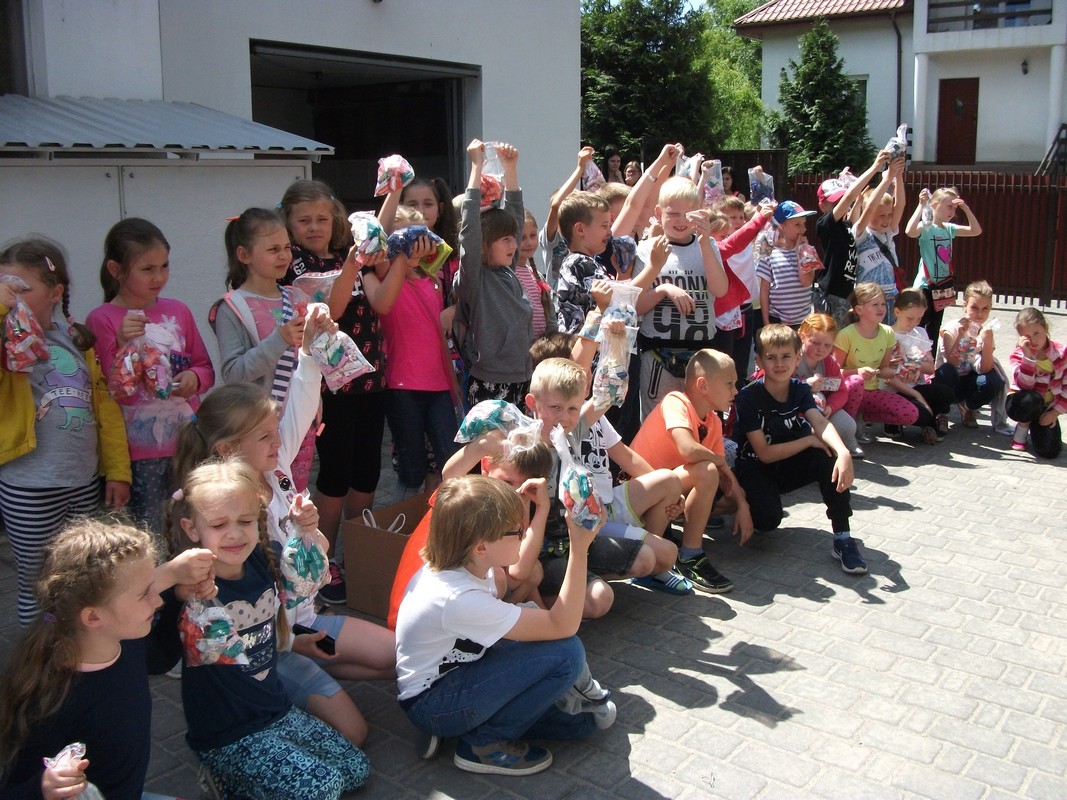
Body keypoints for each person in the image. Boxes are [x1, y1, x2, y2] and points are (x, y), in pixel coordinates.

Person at [172, 308, 394, 748]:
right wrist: (287, 645)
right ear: (228, 450)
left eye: (277, 432)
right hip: (265, 645)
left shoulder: (274, 469)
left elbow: (301, 407)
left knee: (393, 656)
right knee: (354, 734)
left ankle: (309, 679)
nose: (281, 442)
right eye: (266, 437)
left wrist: (309, 353)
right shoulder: (216, 515)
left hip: (303, 623)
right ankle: (282, 696)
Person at [168, 459, 369, 798]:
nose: (234, 533)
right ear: (192, 529)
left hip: (276, 709)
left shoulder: (266, 559)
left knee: (355, 769)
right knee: (324, 787)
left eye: (245, 521)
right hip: (228, 734)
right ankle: (225, 779)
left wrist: (307, 528)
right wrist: (172, 584)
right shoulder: (189, 588)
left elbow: (306, 577)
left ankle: (262, 773)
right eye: (218, 524)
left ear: (259, 519)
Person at [394, 475, 614, 776]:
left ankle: (463, 726)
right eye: (517, 531)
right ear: (481, 547)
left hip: (453, 679)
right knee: (567, 655)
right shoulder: (458, 597)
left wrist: (532, 508)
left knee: (582, 725)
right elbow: (563, 626)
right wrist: (579, 548)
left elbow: (516, 578)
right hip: (434, 701)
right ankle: (482, 743)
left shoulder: (471, 566)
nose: (523, 534)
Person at [0, 519, 214, 799]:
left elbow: (160, 658)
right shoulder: (49, 702)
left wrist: (177, 596)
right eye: (144, 593)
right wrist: (43, 787)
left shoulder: (124, 640)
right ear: (93, 617)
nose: (157, 600)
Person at [0, 238, 132, 627]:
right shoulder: (8, 343)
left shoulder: (77, 341)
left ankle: (76, 653)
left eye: (21, 288)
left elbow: (105, 408)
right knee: (36, 585)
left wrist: (118, 470)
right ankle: (37, 658)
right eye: (4, 287)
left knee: (79, 579)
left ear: (55, 293)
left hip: (82, 482)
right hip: (29, 485)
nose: (11, 296)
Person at [281, 178, 382, 605]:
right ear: (288, 223)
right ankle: (322, 561)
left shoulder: (346, 253)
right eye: (304, 220)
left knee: (367, 474)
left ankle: (357, 554)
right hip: (327, 386)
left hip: (370, 378)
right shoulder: (293, 264)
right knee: (335, 477)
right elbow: (333, 309)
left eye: (322, 218)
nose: (314, 227)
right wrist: (354, 266)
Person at [86, 218, 214, 538]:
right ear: (116, 270)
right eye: (147, 269)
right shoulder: (102, 319)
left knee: (195, 527)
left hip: (189, 443)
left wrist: (193, 377)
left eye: (164, 266)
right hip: (139, 451)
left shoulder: (179, 311)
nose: (159, 277)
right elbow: (111, 391)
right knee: (151, 534)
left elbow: (205, 367)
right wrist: (121, 344)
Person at [733, 325, 866, 573]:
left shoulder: (800, 389)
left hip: (786, 465)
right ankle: (732, 500)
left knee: (828, 454)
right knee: (767, 521)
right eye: (771, 357)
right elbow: (764, 454)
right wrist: (807, 441)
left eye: (786, 356)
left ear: (797, 358)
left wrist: (843, 452)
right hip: (755, 469)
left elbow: (820, 422)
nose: (779, 364)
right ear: (759, 361)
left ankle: (843, 537)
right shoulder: (748, 397)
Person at [356, 196, 459, 498]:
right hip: (402, 387)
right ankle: (402, 525)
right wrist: (395, 190)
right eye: (402, 237)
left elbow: (438, 338)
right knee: (411, 470)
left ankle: (443, 522)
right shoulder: (385, 275)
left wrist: (453, 382)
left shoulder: (433, 280)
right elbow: (377, 238)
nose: (411, 243)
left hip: (440, 387)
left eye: (417, 235)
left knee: (452, 463)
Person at [210, 208, 315, 492]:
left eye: (286, 248)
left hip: (299, 419)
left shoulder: (296, 297)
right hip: (256, 428)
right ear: (244, 255)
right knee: (262, 495)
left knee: (294, 492)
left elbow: (306, 359)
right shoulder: (232, 308)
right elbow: (234, 373)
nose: (284, 256)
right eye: (273, 249)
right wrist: (279, 340)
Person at [631, 349, 751, 593]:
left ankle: (677, 547)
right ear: (703, 385)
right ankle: (690, 555)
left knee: (720, 478)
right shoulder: (675, 401)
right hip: (637, 499)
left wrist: (742, 504)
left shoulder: (713, 421)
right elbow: (688, 449)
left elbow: (724, 470)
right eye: (729, 384)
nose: (736, 391)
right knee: (707, 470)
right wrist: (718, 462)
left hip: (665, 496)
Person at [634, 174, 729, 416]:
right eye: (673, 213)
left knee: (702, 420)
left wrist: (705, 243)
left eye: (689, 214)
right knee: (661, 421)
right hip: (658, 353)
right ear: (658, 213)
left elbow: (720, 290)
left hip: (701, 354)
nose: (682, 220)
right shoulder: (647, 250)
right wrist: (664, 289)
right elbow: (635, 306)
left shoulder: (708, 246)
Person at [453, 139, 533, 407]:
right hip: (489, 382)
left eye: (513, 238)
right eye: (505, 240)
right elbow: (470, 233)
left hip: (522, 377)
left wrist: (510, 169)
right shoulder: (474, 278)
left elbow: (516, 218)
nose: (514, 245)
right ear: (485, 244)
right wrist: (476, 167)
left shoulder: (507, 271)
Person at [832, 283, 920, 443]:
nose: (881, 309)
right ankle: (848, 429)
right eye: (875, 305)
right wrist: (857, 372)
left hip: (872, 391)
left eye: (883, 304)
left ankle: (862, 418)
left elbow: (884, 370)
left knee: (911, 414)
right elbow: (834, 373)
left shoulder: (887, 332)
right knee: (856, 381)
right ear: (859, 310)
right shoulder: (846, 334)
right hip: (848, 391)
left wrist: (901, 370)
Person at [813, 152, 891, 328]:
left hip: (847, 293)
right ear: (822, 206)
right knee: (831, 339)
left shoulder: (846, 225)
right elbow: (849, 197)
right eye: (835, 202)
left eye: (841, 199)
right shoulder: (825, 224)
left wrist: (859, 200)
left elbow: (857, 211)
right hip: (831, 294)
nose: (841, 203)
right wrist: (875, 168)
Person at [904, 186, 983, 344]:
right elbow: (909, 231)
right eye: (949, 206)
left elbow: (976, 231)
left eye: (954, 208)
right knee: (918, 326)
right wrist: (921, 205)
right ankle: (915, 356)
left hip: (942, 286)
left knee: (934, 328)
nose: (952, 211)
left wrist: (966, 209)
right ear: (934, 205)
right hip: (925, 286)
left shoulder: (949, 229)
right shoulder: (926, 227)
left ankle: (930, 358)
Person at [888, 289, 955, 442]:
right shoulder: (888, 335)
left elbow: (930, 368)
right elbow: (887, 373)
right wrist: (903, 363)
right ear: (897, 312)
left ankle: (929, 420)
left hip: (916, 385)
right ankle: (896, 421)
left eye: (919, 318)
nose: (914, 323)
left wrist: (913, 363)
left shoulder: (920, 333)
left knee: (946, 394)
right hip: (895, 389)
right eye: (910, 318)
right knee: (919, 412)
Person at [936, 280, 1004, 429]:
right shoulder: (951, 329)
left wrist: (987, 343)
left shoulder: (985, 331)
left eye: (985, 309)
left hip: (968, 381)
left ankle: (968, 407)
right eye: (974, 307)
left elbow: (985, 369)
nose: (979, 314)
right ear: (965, 305)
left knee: (994, 380)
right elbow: (951, 364)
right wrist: (961, 337)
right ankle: (942, 412)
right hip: (949, 383)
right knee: (946, 371)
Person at [795, 313, 865, 457]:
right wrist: (805, 385)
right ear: (802, 337)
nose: (821, 349)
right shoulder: (793, 358)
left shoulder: (829, 362)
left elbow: (841, 390)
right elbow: (780, 387)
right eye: (815, 343)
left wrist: (830, 407)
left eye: (827, 345)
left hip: (823, 409)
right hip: (797, 411)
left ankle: (845, 442)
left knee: (848, 426)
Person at [853, 156, 907, 320]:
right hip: (868, 300)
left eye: (889, 215)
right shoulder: (861, 234)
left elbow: (900, 206)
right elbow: (870, 208)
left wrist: (898, 175)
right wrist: (888, 178)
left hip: (890, 297)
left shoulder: (888, 233)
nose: (887, 219)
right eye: (881, 215)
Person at [1007, 307, 1066, 457]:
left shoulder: (1062, 354)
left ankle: (1036, 424)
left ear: (1045, 328)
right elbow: (1025, 386)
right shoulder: (1018, 355)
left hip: (1047, 407)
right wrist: (1028, 357)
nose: (1033, 340)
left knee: (1049, 451)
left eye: (1037, 333)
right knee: (1032, 399)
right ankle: (1023, 426)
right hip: (1022, 403)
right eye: (1027, 336)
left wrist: (1054, 413)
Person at [756, 200, 818, 329]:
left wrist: (800, 252)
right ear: (781, 226)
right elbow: (764, 290)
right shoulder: (769, 253)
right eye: (797, 224)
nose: (803, 229)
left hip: (803, 322)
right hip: (777, 321)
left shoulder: (808, 251)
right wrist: (766, 323)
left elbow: (806, 281)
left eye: (804, 224)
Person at [518, 210, 558, 338]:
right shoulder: (508, 276)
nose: (529, 242)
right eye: (522, 238)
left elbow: (550, 315)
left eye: (533, 235)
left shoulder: (536, 275)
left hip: (542, 346)